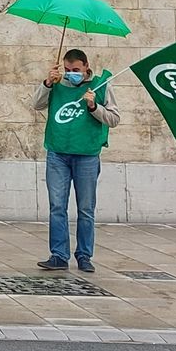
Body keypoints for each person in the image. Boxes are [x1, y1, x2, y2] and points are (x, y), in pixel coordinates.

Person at [33, 49, 120, 273]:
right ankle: (59, 255)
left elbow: (114, 119)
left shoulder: (100, 85)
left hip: (87, 155)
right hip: (57, 152)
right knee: (57, 206)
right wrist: (47, 83)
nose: (72, 74)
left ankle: (84, 255)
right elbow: (36, 105)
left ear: (86, 67)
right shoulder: (57, 84)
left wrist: (93, 107)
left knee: (86, 208)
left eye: (76, 70)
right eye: (68, 70)